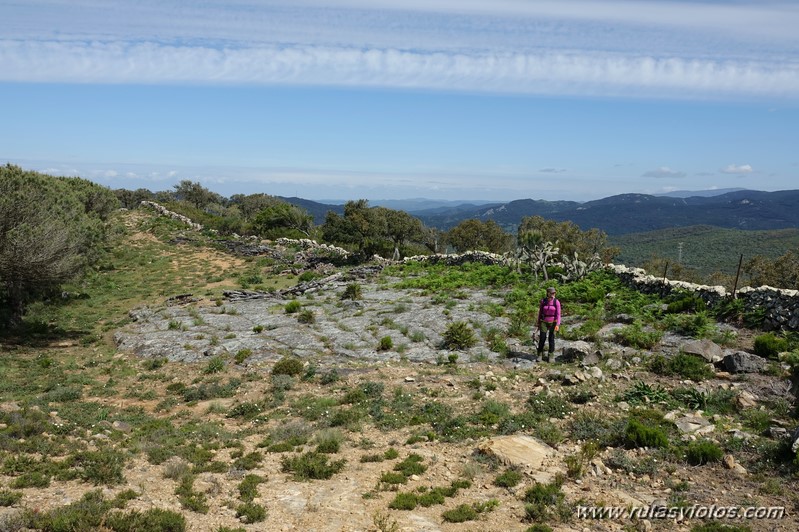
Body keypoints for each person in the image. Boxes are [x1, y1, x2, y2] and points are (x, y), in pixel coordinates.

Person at [536, 286, 561, 360]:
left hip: (553, 322)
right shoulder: (543, 301)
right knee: (542, 338)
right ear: (548, 293)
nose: (553, 294)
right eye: (552, 293)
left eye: (554, 293)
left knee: (551, 339)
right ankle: (540, 355)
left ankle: (551, 356)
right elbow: (540, 312)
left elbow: (558, 314)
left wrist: (557, 324)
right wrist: (538, 323)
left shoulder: (556, 302)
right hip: (544, 322)